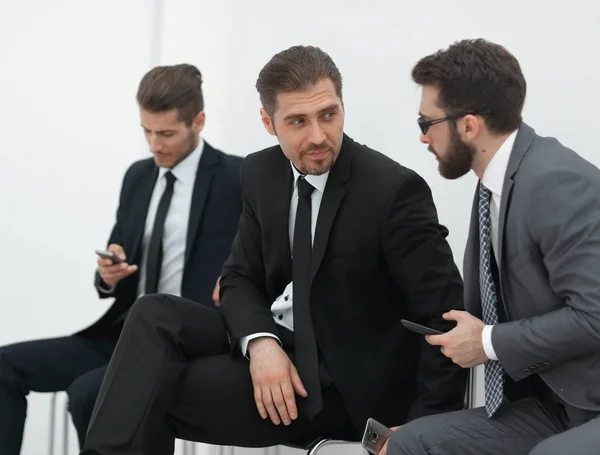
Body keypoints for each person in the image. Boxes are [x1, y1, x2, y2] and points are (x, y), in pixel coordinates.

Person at [81, 45, 467, 455]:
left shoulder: (392, 190)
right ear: (268, 122)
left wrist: (423, 431)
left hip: (335, 381)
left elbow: (443, 316)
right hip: (274, 341)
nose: (318, 136)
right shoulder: (261, 172)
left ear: (342, 106)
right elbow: (238, 277)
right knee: (152, 312)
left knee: (135, 391)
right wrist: (260, 342)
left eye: (328, 115)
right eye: (298, 121)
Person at [0, 63, 242, 453]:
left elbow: (266, 257)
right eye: (146, 131)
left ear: (198, 121)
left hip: (185, 341)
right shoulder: (138, 177)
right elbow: (119, 253)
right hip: (123, 331)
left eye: (166, 133)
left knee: (88, 394)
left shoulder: (238, 177)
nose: (154, 145)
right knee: (4, 366)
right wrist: (108, 273)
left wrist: (236, 282)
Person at [386, 38, 600, 455]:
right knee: (412, 443)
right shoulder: (492, 186)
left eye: (425, 123)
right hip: (551, 403)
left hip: (591, 403)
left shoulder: (556, 183)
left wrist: (487, 343)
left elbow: (595, 316)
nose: (423, 138)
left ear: (468, 126)